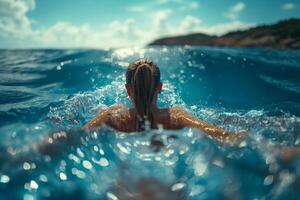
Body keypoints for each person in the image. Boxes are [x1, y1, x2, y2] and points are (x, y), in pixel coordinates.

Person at [84, 59, 244, 145]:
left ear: (128, 90)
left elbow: (74, 136)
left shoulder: (115, 116)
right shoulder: (175, 116)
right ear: (160, 87)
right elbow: (224, 136)